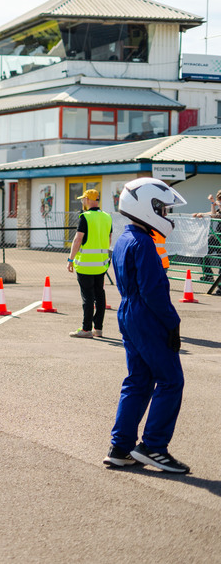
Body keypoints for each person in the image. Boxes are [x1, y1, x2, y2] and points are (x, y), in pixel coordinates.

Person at [104, 177, 189, 473]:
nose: (164, 215)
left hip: (128, 312)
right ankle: (153, 446)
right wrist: (172, 322)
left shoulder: (125, 239)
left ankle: (120, 447)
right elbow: (154, 291)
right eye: (161, 209)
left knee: (138, 381)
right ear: (146, 207)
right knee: (170, 380)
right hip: (147, 315)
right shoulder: (144, 243)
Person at [67, 189, 112, 338]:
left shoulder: (85, 217)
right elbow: (109, 239)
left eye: (83, 199)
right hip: (101, 264)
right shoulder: (107, 217)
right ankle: (98, 329)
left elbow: (78, 239)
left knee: (87, 297)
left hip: (85, 265)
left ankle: (86, 329)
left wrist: (70, 259)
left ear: (87, 200)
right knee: (100, 295)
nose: (82, 202)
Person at [192, 190, 221, 284]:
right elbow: (213, 214)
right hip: (217, 235)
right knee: (202, 251)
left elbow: (216, 215)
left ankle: (219, 286)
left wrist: (216, 203)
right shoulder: (218, 208)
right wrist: (201, 214)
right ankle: (208, 275)